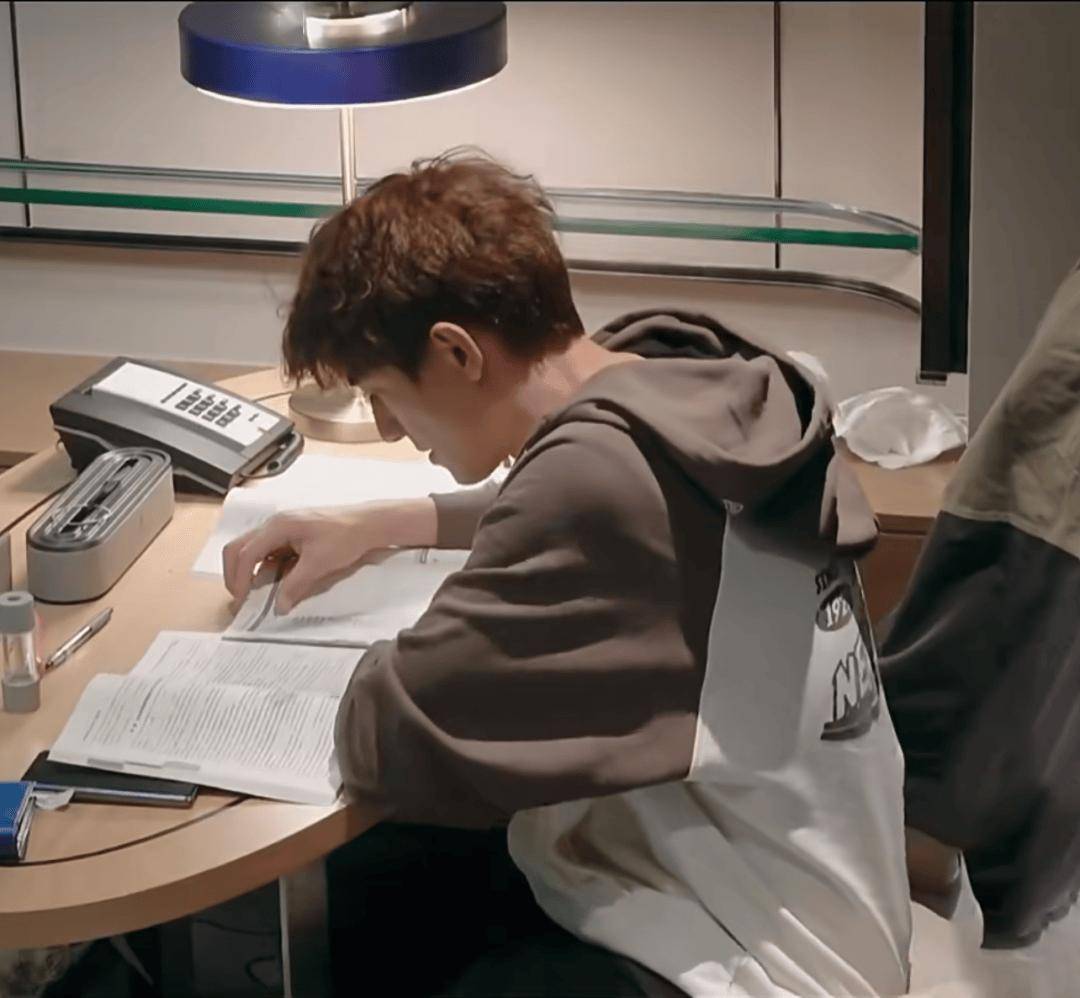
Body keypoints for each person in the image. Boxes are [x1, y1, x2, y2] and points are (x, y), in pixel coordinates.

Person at [223, 150, 912, 997]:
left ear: (456, 352)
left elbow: (390, 733)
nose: (392, 429)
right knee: (410, 871)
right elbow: (585, 511)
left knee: (393, 853)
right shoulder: (674, 385)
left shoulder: (596, 483)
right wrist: (387, 524)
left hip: (758, 960)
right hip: (819, 898)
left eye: (382, 393)